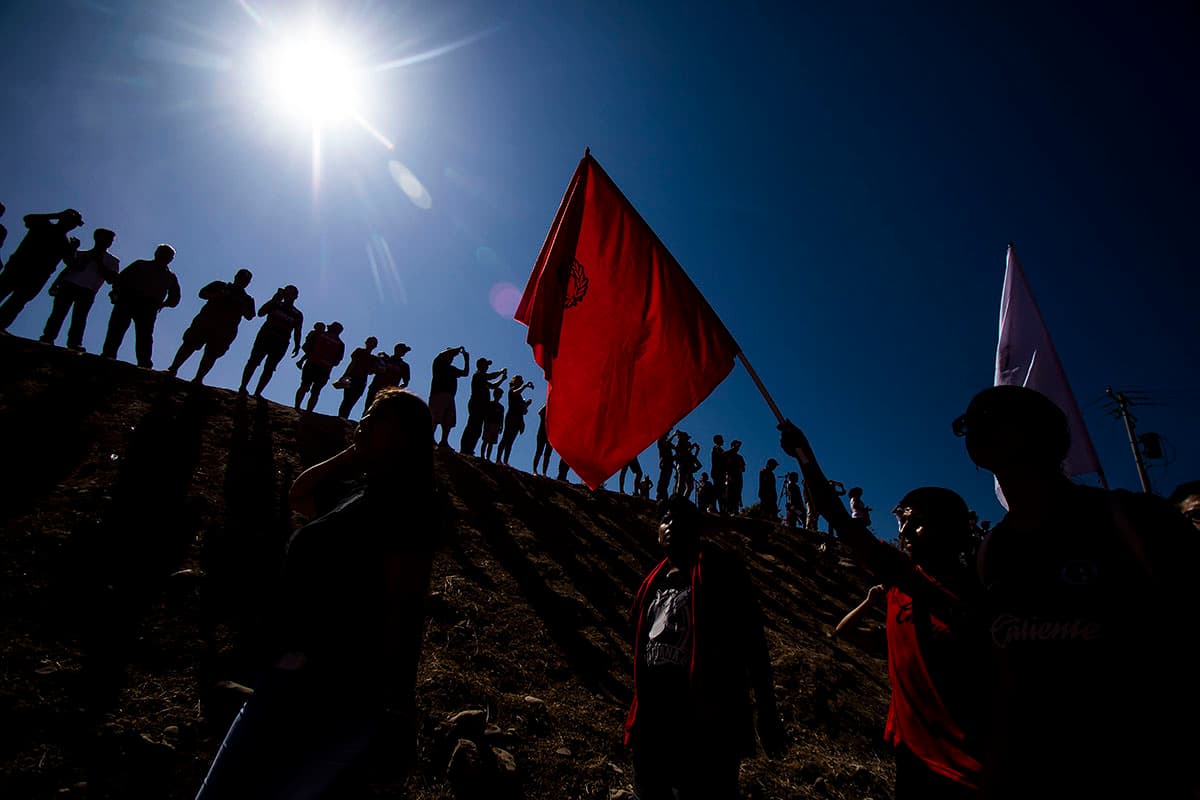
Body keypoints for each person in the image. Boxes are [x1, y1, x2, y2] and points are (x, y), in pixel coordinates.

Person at [951, 384, 1200, 798]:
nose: (974, 430)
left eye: (990, 418)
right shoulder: (993, 552)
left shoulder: (1137, 521)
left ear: (1037, 432)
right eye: (968, 424)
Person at [194, 388, 442, 799]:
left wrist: (397, 700)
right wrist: (354, 454)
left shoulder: (409, 507)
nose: (362, 420)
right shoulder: (355, 493)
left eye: (376, 416)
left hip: (337, 690)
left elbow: (403, 603)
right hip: (288, 679)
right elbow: (300, 494)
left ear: (404, 435)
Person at [779, 420, 988, 798]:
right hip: (911, 757)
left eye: (918, 523)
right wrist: (803, 456)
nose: (905, 532)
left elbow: (840, 519)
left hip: (970, 770)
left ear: (952, 530)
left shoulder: (978, 595)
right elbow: (836, 517)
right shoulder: (898, 585)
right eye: (903, 522)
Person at [623, 496, 786, 798]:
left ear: (696, 529)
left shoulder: (722, 572)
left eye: (680, 520)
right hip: (652, 726)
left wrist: (766, 711)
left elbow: (754, 643)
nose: (671, 525)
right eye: (665, 519)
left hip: (706, 728)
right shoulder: (650, 584)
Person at [0, 208, 84, 332]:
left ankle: (0, 324)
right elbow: (28, 218)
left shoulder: (64, 242)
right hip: (18, 268)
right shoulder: (43, 225)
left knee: (17, 302)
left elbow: (71, 263)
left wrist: (73, 250)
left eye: (74, 223)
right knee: (3, 292)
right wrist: (55, 215)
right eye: (72, 222)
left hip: (36, 277)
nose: (72, 226)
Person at [166, 268, 255, 384]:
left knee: (211, 354)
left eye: (245, 280)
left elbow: (250, 316)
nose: (242, 281)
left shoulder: (247, 299)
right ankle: (173, 369)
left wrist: (241, 305)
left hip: (225, 330)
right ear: (236, 277)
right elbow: (202, 293)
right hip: (206, 321)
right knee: (189, 345)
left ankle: (198, 379)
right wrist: (218, 294)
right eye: (241, 277)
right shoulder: (220, 285)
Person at [100, 243, 181, 368]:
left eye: (168, 255)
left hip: (148, 306)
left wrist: (163, 304)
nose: (165, 257)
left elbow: (175, 298)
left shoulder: (169, 276)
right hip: (128, 300)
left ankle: (143, 362)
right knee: (117, 329)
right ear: (157, 253)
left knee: (143, 335)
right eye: (163, 253)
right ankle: (109, 355)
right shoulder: (141, 265)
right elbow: (121, 279)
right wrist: (116, 292)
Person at [40, 227, 120, 351]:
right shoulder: (82, 254)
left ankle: (74, 343)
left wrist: (99, 262)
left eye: (110, 240)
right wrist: (56, 283)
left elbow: (111, 279)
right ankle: (48, 337)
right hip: (69, 285)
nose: (108, 242)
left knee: (80, 317)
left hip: (88, 290)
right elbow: (68, 268)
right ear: (97, 238)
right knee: (58, 313)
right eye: (106, 239)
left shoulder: (112, 260)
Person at [238, 285, 304, 398]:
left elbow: (297, 330)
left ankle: (258, 393)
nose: (288, 296)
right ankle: (243, 387)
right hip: (265, 337)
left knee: (269, 368)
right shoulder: (276, 304)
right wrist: (275, 298)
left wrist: (297, 345)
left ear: (295, 297)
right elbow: (261, 313)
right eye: (287, 293)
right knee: (253, 362)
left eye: (291, 294)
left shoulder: (297, 314)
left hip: (281, 342)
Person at [459, 358, 507, 456]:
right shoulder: (478, 375)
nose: (487, 367)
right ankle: (465, 448)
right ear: (480, 365)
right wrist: (500, 372)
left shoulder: (483, 379)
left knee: (477, 429)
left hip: (481, 407)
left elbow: (493, 386)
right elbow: (491, 377)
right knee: (472, 426)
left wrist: (502, 379)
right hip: (476, 405)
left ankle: (470, 449)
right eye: (485, 365)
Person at [295, 321, 345, 412]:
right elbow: (337, 362)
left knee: (304, 386)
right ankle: (309, 411)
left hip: (312, 364)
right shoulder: (340, 344)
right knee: (315, 392)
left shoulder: (319, 334)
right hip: (324, 369)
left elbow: (306, 348)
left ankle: (297, 407)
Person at [428, 346, 469, 447]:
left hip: (450, 396)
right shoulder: (438, 364)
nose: (451, 358)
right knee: (435, 418)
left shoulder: (452, 369)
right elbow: (443, 354)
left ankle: (444, 441)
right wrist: (458, 349)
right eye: (450, 355)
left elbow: (465, 373)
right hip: (438, 394)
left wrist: (466, 360)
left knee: (448, 420)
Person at [334, 336, 382, 419]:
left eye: (373, 343)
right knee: (347, 399)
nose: (371, 344)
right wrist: (344, 376)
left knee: (352, 400)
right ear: (366, 342)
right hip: (353, 377)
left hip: (362, 380)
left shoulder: (373, 358)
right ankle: (341, 418)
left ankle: (343, 418)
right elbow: (352, 363)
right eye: (370, 342)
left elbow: (371, 372)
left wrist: (378, 364)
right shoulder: (359, 351)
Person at [497, 375, 533, 465]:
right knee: (505, 438)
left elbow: (523, 411)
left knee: (510, 441)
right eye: (519, 381)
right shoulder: (512, 391)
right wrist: (525, 386)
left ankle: (505, 461)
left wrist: (526, 405)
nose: (520, 382)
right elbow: (515, 393)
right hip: (511, 417)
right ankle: (498, 459)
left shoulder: (520, 396)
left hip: (518, 419)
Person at [365, 343, 412, 410]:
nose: (404, 352)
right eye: (403, 350)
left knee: (381, 412)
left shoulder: (404, 366)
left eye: (405, 351)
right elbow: (371, 371)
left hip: (388, 393)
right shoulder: (384, 359)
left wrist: (396, 390)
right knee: (368, 409)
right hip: (375, 388)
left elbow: (405, 383)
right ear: (397, 349)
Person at [481, 386, 505, 462]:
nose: (499, 396)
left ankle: (488, 457)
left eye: (500, 395)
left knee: (491, 442)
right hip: (489, 423)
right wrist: (485, 423)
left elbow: (502, 417)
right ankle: (482, 455)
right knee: (485, 441)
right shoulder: (490, 404)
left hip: (496, 425)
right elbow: (486, 414)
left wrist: (501, 426)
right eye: (498, 394)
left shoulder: (501, 407)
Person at [724, 440, 746, 513]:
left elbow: (743, 469)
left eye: (738, 446)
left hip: (738, 478)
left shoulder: (740, 457)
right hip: (728, 477)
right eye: (736, 446)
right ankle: (728, 510)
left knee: (737, 494)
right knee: (729, 493)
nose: (738, 448)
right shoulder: (727, 454)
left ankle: (735, 510)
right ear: (732, 445)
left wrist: (739, 467)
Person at [532, 404, 553, 476]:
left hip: (550, 436)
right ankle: (534, 470)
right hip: (542, 434)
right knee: (539, 452)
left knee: (547, 455)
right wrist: (547, 403)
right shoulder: (545, 413)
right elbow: (540, 412)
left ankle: (544, 472)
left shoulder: (554, 416)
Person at [710, 435, 727, 513]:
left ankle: (721, 508)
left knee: (721, 491)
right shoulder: (716, 448)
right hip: (717, 473)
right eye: (721, 439)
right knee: (718, 490)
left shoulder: (720, 449)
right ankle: (713, 507)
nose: (723, 440)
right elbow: (721, 456)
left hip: (721, 473)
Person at [655, 434, 674, 502]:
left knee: (666, 480)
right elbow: (666, 443)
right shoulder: (660, 441)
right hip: (665, 462)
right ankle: (660, 496)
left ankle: (664, 496)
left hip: (669, 463)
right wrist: (673, 434)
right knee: (663, 480)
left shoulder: (667, 442)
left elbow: (675, 447)